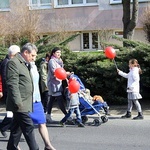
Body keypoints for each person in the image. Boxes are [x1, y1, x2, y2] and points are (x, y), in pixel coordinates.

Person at [6, 43, 39, 150]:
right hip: (20, 103)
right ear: (25, 52)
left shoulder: (24, 63)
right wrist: (18, 102)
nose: (34, 58)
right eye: (32, 55)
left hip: (25, 102)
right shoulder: (13, 63)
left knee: (17, 129)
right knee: (29, 127)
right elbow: (12, 84)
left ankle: (11, 148)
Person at [29, 57, 56, 150]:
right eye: (32, 55)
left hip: (36, 99)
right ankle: (14, 146)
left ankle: (48, 145)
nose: (34, 57)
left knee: (42, 122)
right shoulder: (22, 66)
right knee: (20, 127)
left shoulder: (34, 66)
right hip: (26, 101)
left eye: (35, 55)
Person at [0, 45, 20, 138]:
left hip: (12, 90)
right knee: (11, 113)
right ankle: (3, 127)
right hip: (9, 91)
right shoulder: (6, 62)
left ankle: (11, 131)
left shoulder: (11, 62)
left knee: (13, 113)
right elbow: (5, 78)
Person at [47, 47, 67, 123]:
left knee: (51, 100)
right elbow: (54, 72)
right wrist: (65, 74)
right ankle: (67, 115)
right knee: (59, 99)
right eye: (57, 52)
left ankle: (48, 115)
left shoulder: (60, 61)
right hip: (53, 83)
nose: (59, 54)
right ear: (53, 53)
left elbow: (62, 71)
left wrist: (66, 73)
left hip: (58, 83)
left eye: (60, 52)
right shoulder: (52, 61)